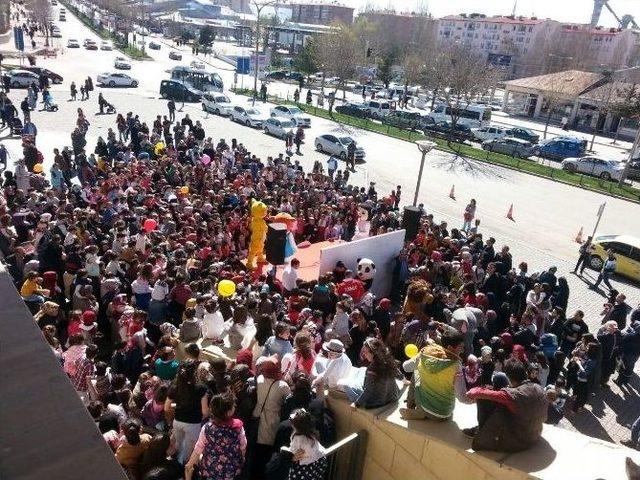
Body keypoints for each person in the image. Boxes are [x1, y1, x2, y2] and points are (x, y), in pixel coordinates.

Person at [464, 359, 548, 452]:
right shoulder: (540, 388)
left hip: (517, 441)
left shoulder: (513, 395)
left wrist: (471, 392)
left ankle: (482, 432)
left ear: (509, 378)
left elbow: (478, 393)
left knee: (484, 400)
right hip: (533, 435)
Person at [185, 392, 246, 480]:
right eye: (233, 406)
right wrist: (242, 459)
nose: (235, 407)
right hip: (231, 470)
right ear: (229, 412)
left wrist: (190, 465)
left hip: (210, 470)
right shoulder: (238, 427)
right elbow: (243, 446)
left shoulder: (207, 427)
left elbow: (199, 448)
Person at [165, 361, 209, 464]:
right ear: (194, 373)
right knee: (189, 451)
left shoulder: (174, 386)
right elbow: (205, 411)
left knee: (178, 445)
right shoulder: (201, 388)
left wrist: (178, 407)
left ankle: (176, 463)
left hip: (178, 421)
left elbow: (167, 407)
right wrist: (200, 417)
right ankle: (184, 467)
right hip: (193, 424)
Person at [346, 338, 401, 410]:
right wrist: (405, 381)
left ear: (373, 353)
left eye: (366, 352)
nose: (364, 355)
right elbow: (397, 373)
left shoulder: (372, 368)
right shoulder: (388, 360)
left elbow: (368, 390)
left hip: (379, 402)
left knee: (346, 386)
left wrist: (356, 404)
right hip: (392, 396)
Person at [287, 408, 327, 480]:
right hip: (317, 461)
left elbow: (293, 453)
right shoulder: (312, 434)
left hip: (304, 466)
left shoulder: (298, 439)